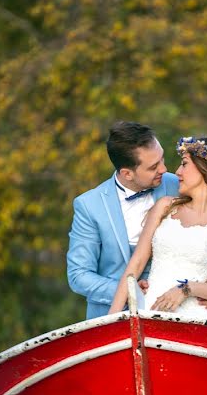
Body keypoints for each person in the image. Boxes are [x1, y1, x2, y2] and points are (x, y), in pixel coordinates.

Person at [108, 136, 207, 318]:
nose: (177, 171)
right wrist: (111, 318)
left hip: (197, 318)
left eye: (184, 164)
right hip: (149, 310)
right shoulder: (165, 207)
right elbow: (135, 265)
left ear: (205, 169)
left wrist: (186, 289)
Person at [67, 121, 180, 319]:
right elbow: (79, 276)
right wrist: (129, 291)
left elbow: (205, 240)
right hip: (112, 317)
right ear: (127, 173)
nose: (164, 168)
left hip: (177, 312)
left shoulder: (178, 185)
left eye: (161, 159)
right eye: (154, 166)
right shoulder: (89, 205)